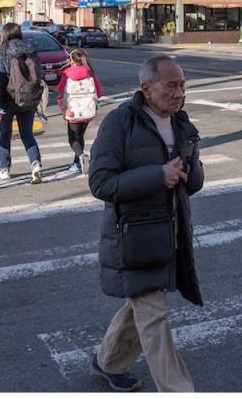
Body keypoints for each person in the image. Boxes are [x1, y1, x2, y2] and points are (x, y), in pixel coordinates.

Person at [87, 54, 204, 393]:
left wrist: (189, 170)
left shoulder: (181, 122)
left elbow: (193, 182)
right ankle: (179, 389)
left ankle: (107, 362)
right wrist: (158, 175)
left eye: (182, 86)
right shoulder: (120, 123)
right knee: (154, 316)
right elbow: (101, 183)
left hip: (170, 233)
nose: (179, 93)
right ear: (146, 88)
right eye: (171, 86)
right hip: (134, 237)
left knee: (141, 304)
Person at [0, 23, 45, 183]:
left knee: (5, 135)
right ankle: (36, 166)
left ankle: (4, 169)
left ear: (5, 34)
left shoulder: (2, 52)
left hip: (8, 99)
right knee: (27, 134)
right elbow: (39, 74)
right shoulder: (31, 49)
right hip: (28, 98)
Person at [57, 49, 105, 173]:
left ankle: (81, 157)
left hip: (72, 111)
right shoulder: (90, 73)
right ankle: (77, 163)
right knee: (80, 136)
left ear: (72, 61)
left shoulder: (67, 73)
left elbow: (60, 89)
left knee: (73, 138)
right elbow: (99, 93)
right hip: (88, 111)